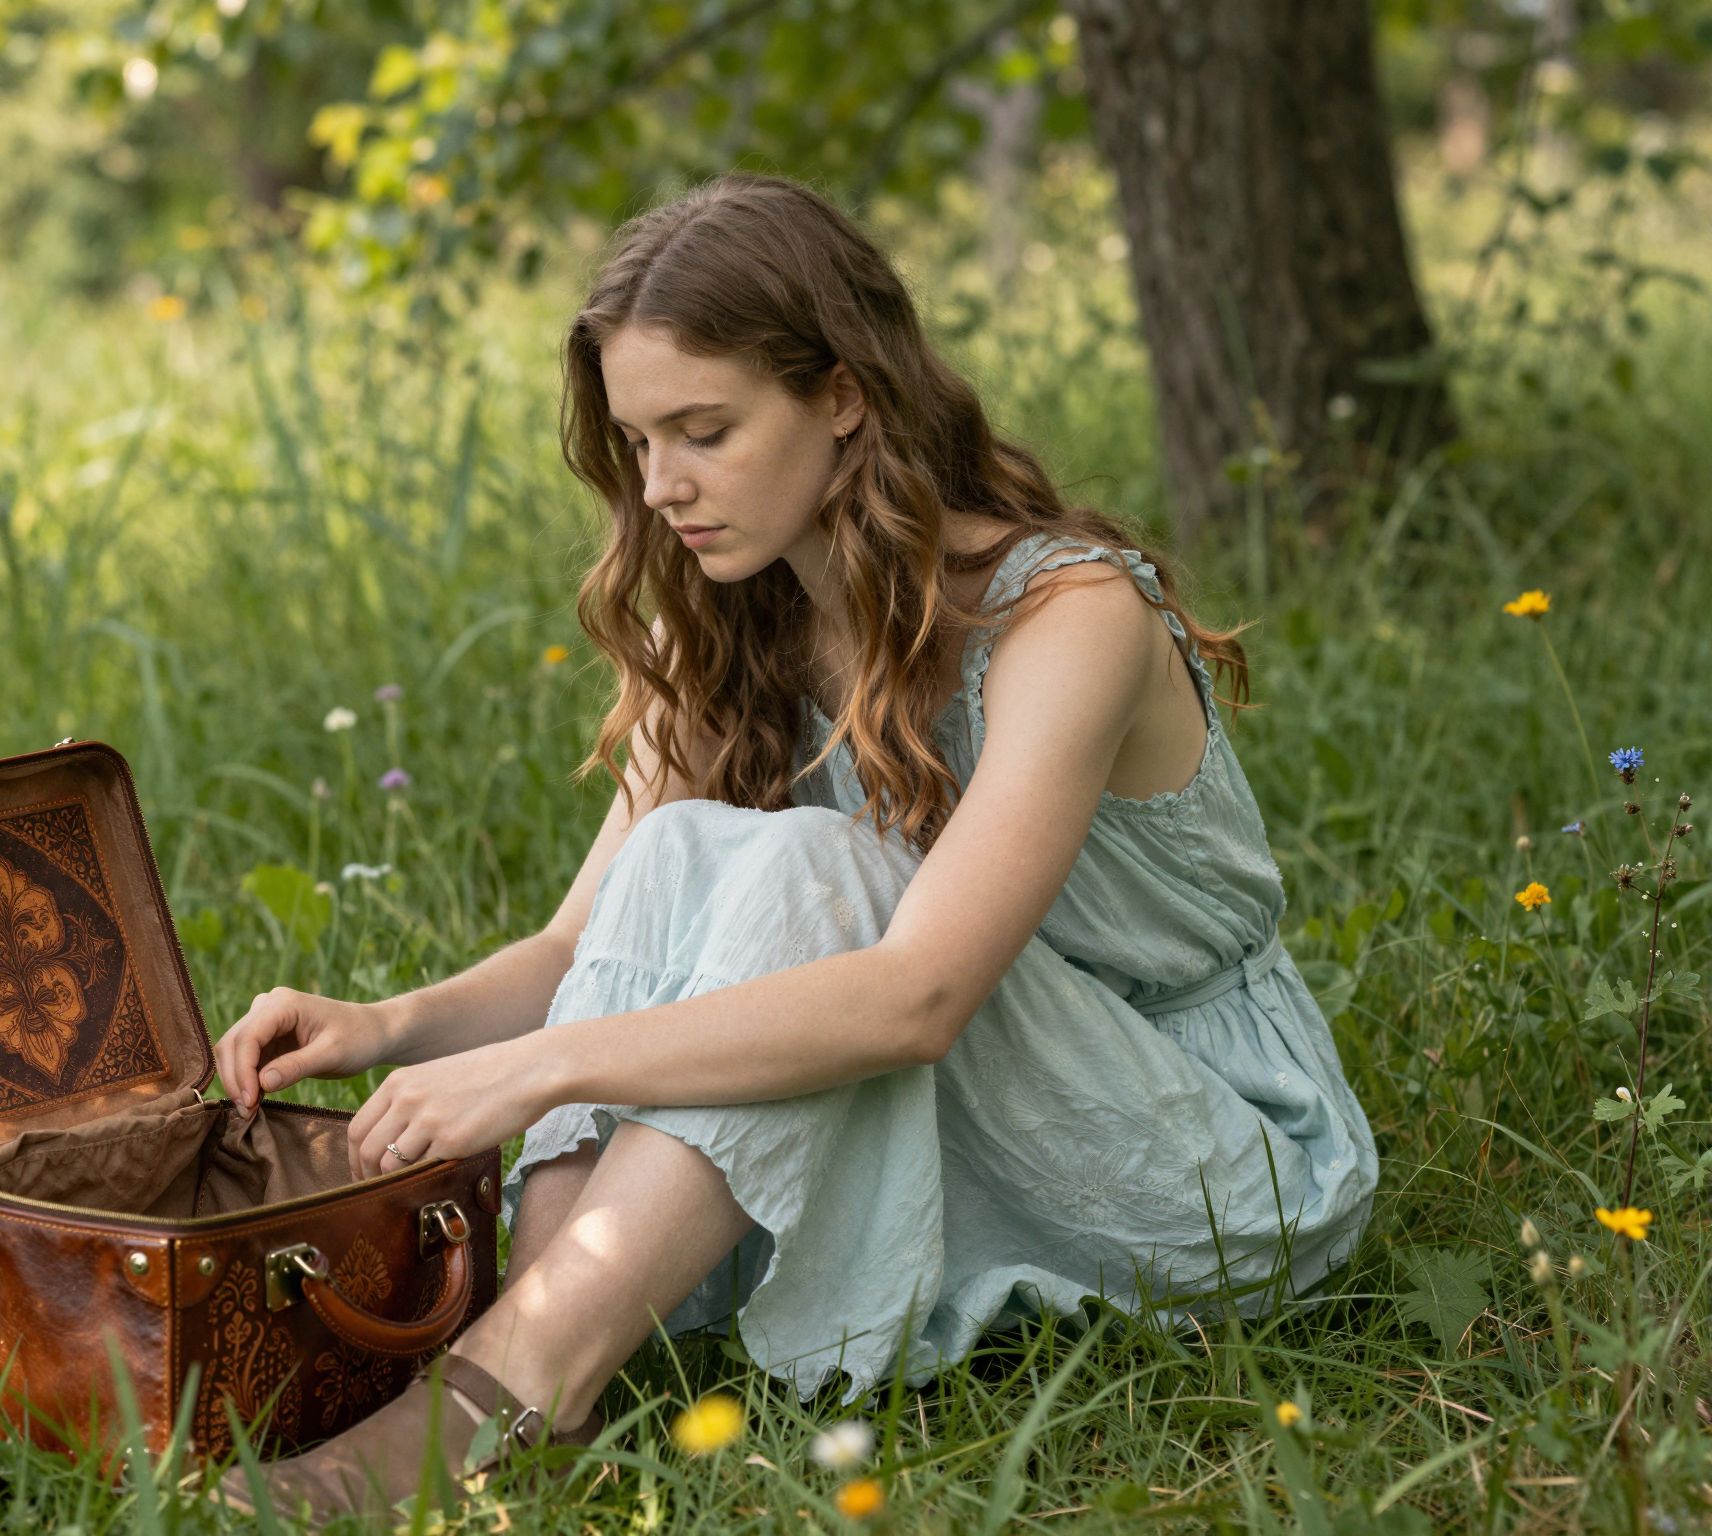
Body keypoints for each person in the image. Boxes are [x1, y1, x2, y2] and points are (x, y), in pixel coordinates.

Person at [208, 170, 1379, 1521]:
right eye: (638, 443)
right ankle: (536, 1363)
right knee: (681, 847)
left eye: (704, 431)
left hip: (1211, 1164)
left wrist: (538, 1070)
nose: (663, 488)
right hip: (977, 1116)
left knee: (813, 866)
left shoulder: (1068, 618)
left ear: (843, 396)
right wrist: (388, 1024)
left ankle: (504, 1387)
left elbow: (919, 999)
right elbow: (586, 948)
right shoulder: (725, 619)